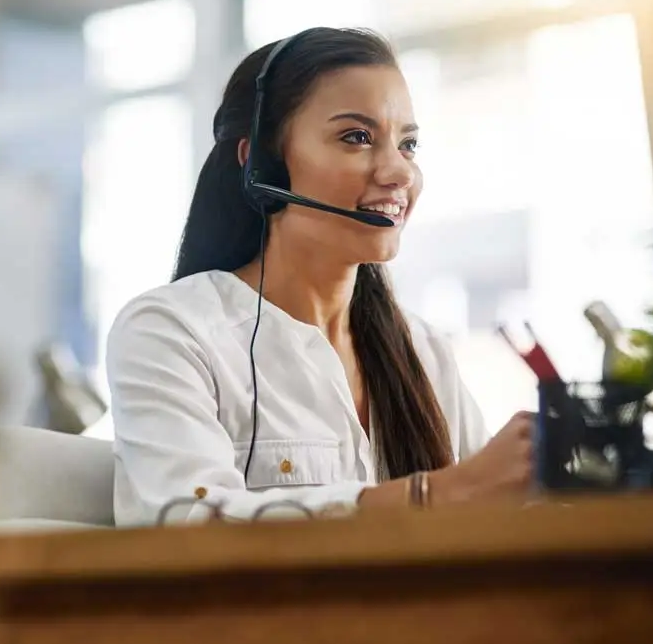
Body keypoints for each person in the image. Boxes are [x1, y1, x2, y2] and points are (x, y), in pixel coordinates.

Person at [105, 27, 534, 526]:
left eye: (409, 144)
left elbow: (488, 516)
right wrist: (434, 494)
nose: (399, 173)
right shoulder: (172, 331)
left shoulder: (423, 350)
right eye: (357, 137)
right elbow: (188, 520)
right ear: (263, 164)